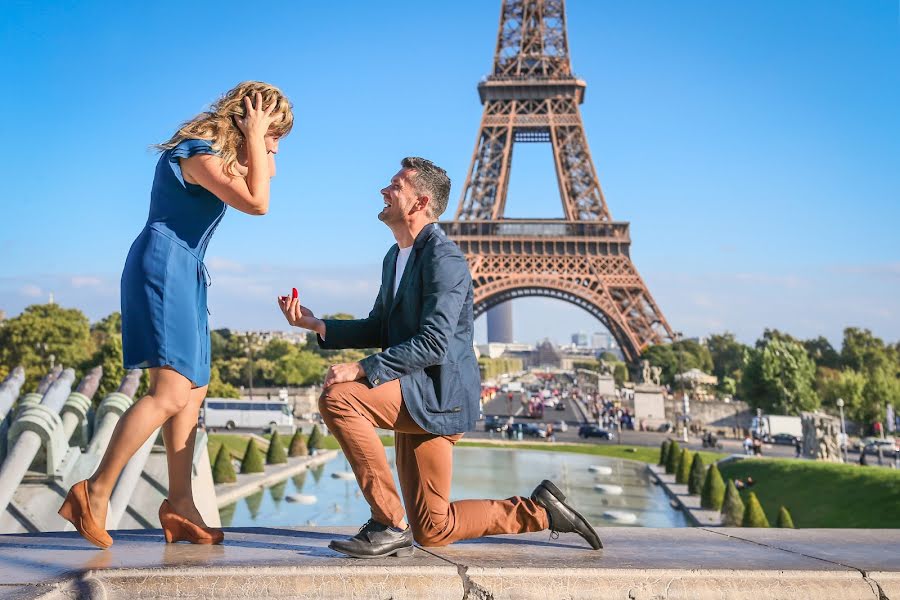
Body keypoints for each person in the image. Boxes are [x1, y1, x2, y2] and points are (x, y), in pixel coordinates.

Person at [278, 158, 601, 558]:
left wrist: (361, 368)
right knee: (433, 529)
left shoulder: (443, 257)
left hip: (437, 394)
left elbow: (435, 342)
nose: (383, 190)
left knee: (340, 398)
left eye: (395, 185)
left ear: (420, 202)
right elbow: (381, 326)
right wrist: (318, 325)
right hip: (414, 390)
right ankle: (541, 512)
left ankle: (387, 521)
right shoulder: (395, 257)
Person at [58, 82, 293, 549]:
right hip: (164, 265)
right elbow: (258, 202)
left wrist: (258, 139)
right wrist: (255, 135)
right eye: (274, 131)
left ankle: (180, 504)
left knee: (194, 389)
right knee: (169, 392)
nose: (274, 145)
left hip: (187, 270)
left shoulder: (217, 156)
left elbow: (265, 177)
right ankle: (94, 491)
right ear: (245, 119)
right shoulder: (196, 153)